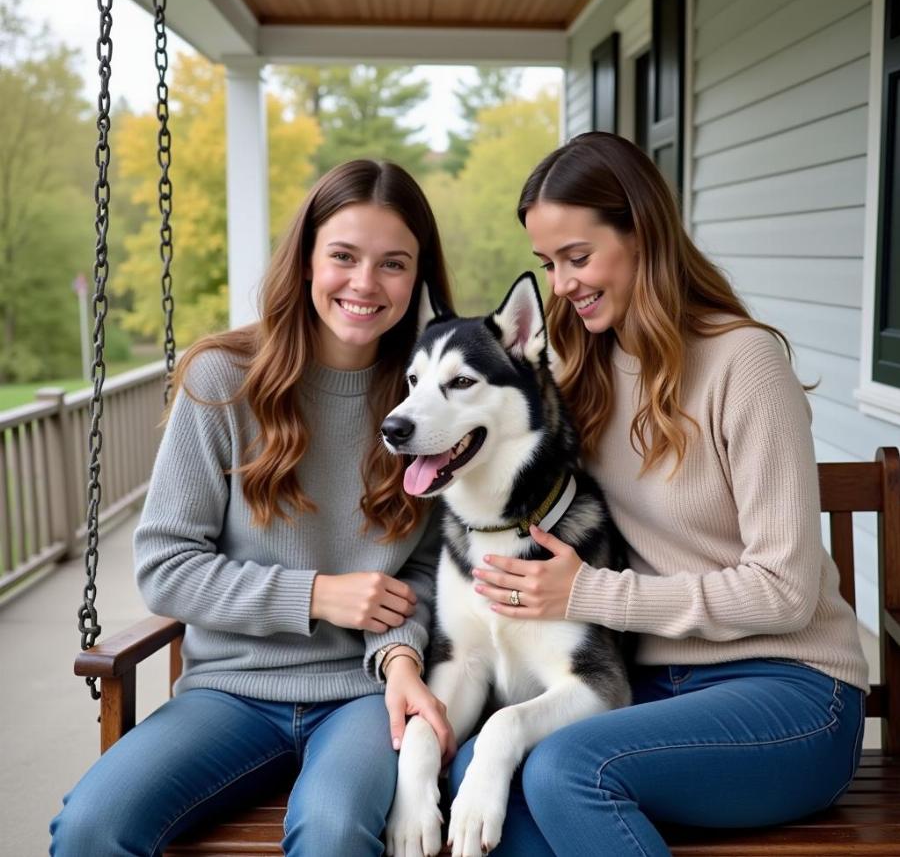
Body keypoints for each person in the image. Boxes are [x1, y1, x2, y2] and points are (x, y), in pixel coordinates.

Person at [454, 132, 869, 856]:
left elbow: (786, 592)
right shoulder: (582, 366)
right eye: (547, 264)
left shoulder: (745, 364)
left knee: (567, 769)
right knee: (479, 778)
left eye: (577, 258)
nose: (561, 284)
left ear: (642, 233)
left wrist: (590, 594)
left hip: (791, 692)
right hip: (649, 685)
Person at [50, 159, 456, 857]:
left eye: (393, 264)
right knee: (92, 827)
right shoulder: (223, 379)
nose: (365, 283)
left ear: (418, 279)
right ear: (305, 262)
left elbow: (425, 573)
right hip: (227, 694)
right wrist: (318, 595)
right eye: (343, 256)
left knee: (333, 834)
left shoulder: (434, 404)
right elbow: (167, 568)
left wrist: (397, 660)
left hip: (359, 696)